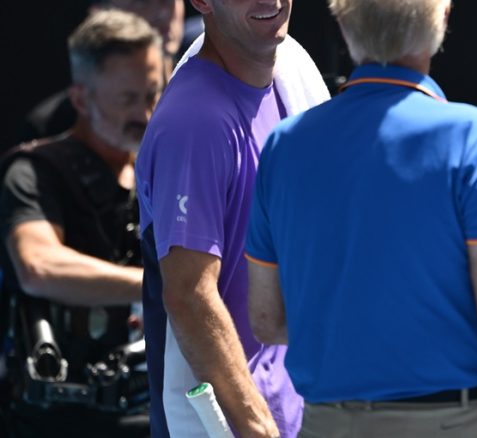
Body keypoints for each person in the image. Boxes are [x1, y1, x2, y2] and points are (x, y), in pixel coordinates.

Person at [243, 0, 477, 437]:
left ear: (343, 25)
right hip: (453, 422)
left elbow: (267, 320)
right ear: (443, 20)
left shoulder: (283, 145)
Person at [134, 0, 329, 436]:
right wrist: (258, 425)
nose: (272, 1)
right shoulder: (193, 123)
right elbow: (189, 295)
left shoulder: (292, 70)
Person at [0, 10, 164, 437]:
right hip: (58, 421)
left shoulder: (160, 172)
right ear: (80, 99)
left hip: (151, 409)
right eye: (127, 99)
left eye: (153, 94)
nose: (146, 114)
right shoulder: (34, 171)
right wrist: (157, 285)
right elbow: (38, 267)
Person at [21, 0, 188, 146]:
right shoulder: (49, 128)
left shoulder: (209, 73)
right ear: (99, 14)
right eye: (141, 0)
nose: (164, 12)